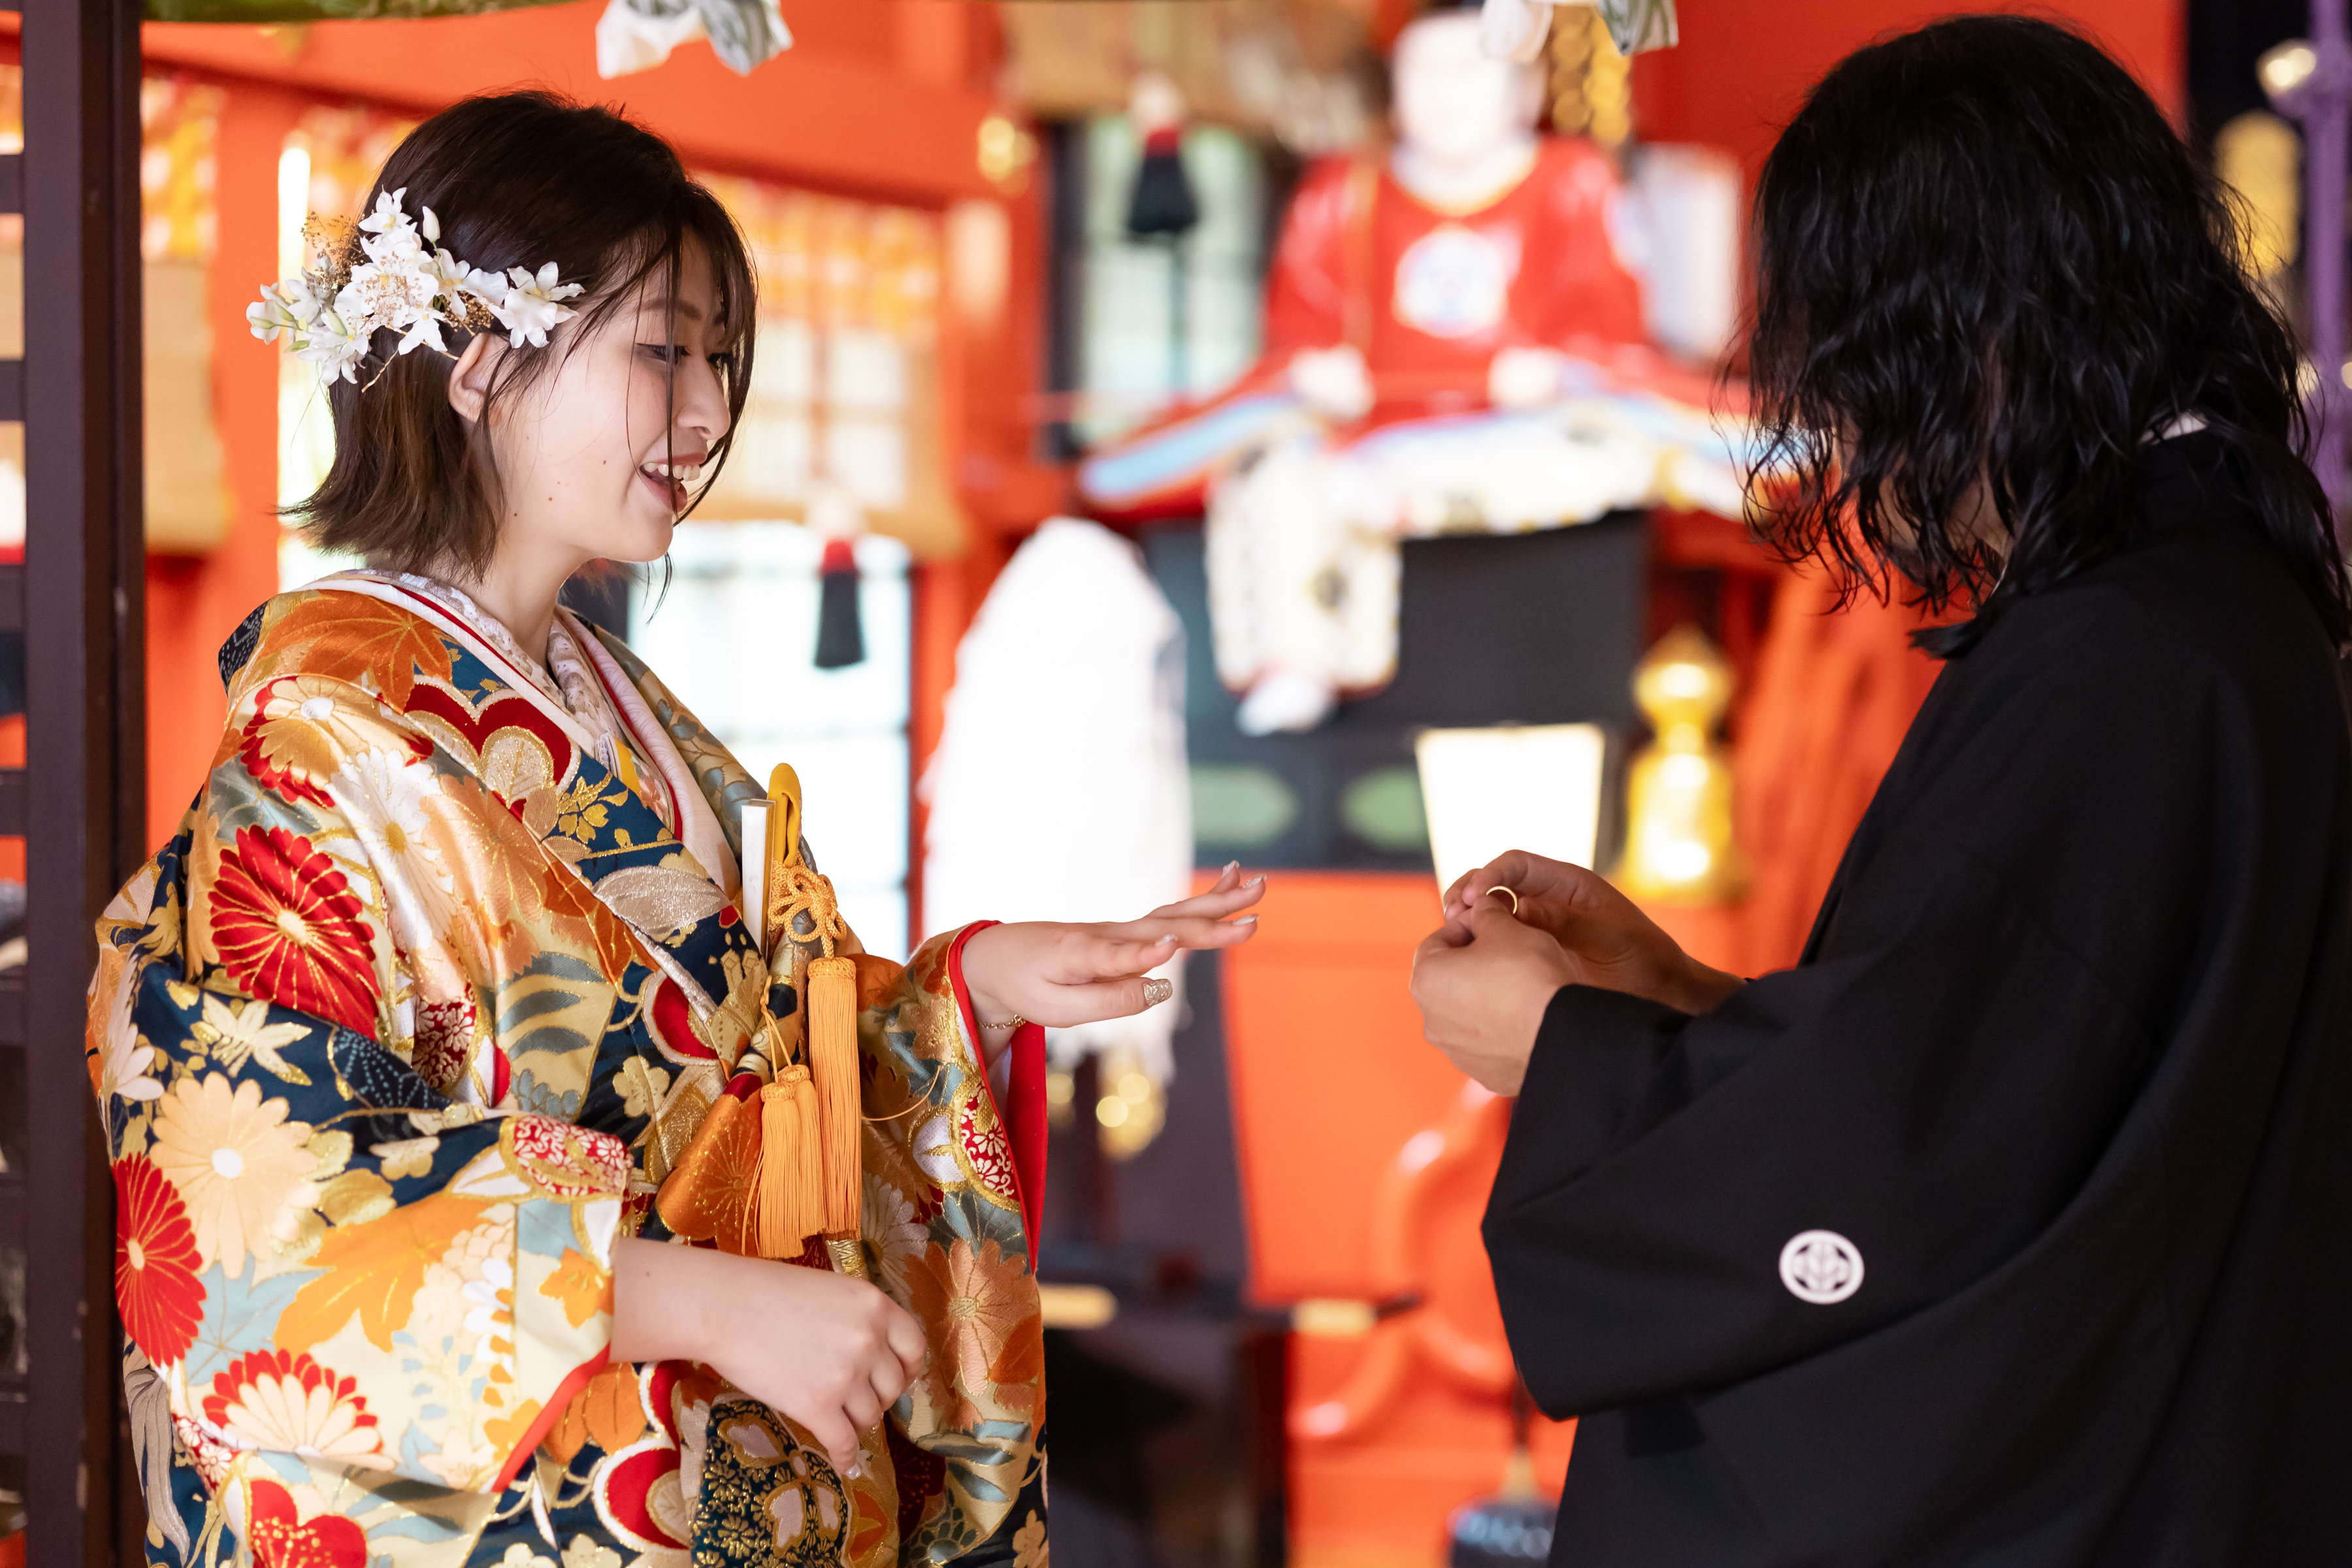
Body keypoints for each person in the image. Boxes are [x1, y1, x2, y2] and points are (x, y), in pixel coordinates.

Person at [89, 91, 1263, 1568]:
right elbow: (250, 1207)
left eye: (717, 357)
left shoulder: (616, 701)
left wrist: (970, 991)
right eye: (663, 352)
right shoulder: (319, 744)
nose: (707, 414)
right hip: (545, 1496)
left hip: (742, 1464)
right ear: (478, 363)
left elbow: (749, 1053)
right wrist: (689, 1297)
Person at [1409, 16, 2352, 1563]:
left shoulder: (2125, 653)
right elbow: (2017, 1069)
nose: (1841, 430)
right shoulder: (2202, 604)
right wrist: (1676, 1002)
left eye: (1848, 364)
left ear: (1952, 332)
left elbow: (1917, 1152)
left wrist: (1565, 1052)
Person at [1076, 0, 1748, 736]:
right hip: (1376, 441)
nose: (1447, 90)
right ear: (1393, 86)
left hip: (1530, 437)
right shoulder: (1343, 191)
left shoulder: (1573, 180)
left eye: (1472, 69)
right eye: (1425, 70)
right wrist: (1317, 374)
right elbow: (1298, 336)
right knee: (1280, 471)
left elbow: (1611, 337)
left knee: (1630, 445)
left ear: (1523, 87)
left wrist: (1554, 371)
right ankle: (1299, 664)